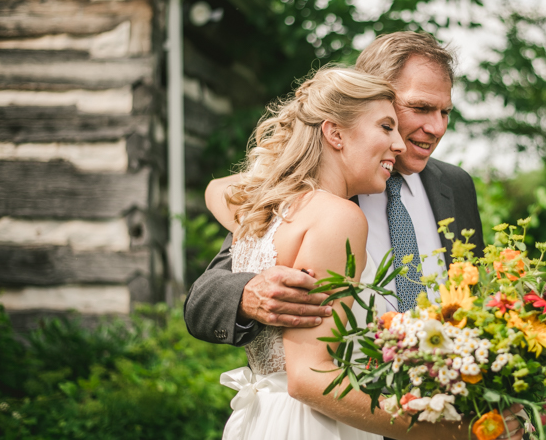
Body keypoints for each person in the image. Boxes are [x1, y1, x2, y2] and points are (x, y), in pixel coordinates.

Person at [208, 66, 523, 440]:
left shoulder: (266, 207)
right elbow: (310, 377)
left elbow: (217, 190)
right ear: (335, 133)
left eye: (445, 112)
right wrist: (452, 431)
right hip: (321, 423)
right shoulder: (340, 216)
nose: (401, 144)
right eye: (387, 127)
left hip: (264, 419)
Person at [185, 32, 484, 344]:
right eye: (421, 107)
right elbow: (202, 300)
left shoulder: (455, 186)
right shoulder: (307, 190)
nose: (437, 128)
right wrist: (247, 295)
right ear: (375, 96)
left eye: (445, 112)